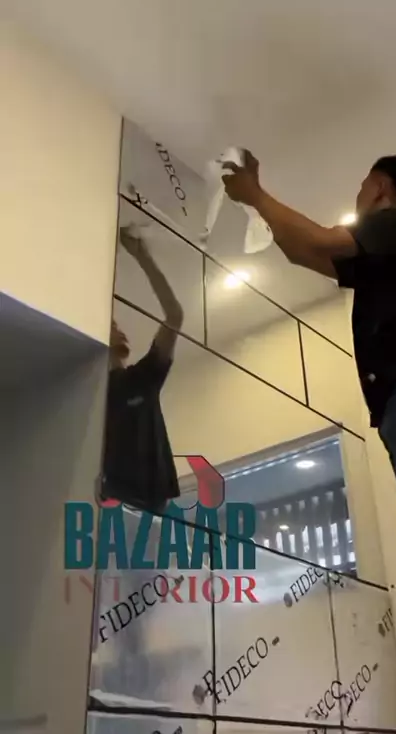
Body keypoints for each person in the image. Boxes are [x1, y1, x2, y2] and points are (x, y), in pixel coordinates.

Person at [222, 150, 396, 715]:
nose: (358, 193)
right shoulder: (384, 253)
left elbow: (318, 237)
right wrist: (256, 203)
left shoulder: (393, 226)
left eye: (363, 184)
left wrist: (256, 193)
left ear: (381, 187)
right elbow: (302, 250)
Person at [96, 224, 184, 700]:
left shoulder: (141, 379)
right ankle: (121, 674)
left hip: (152, 510)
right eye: (109, 324)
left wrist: (141, 255)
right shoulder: (87, 398)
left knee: (140, 606)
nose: (119, 327)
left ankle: (135, 676)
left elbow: (174, 314)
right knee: (118, 606)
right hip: (116, 513)